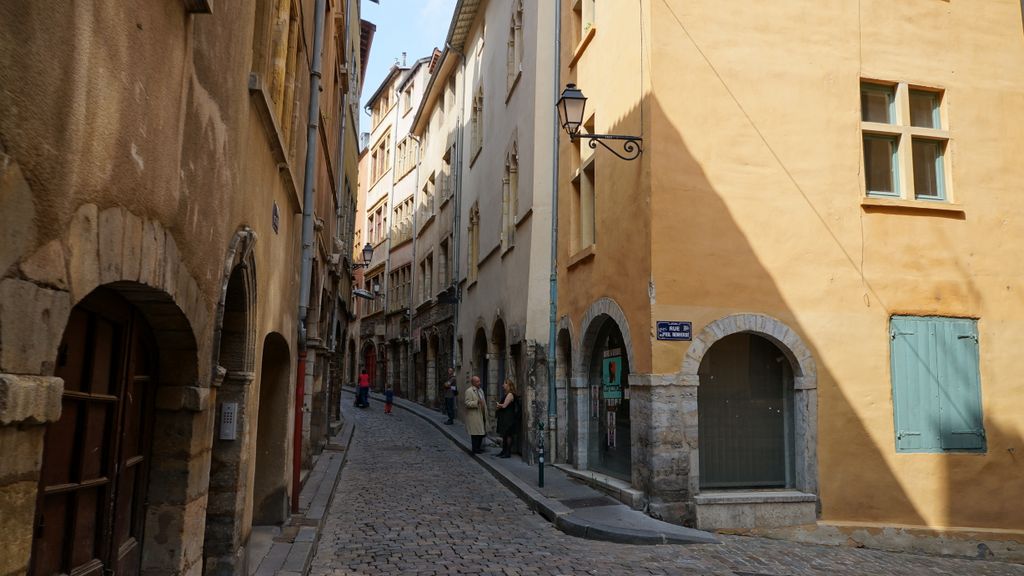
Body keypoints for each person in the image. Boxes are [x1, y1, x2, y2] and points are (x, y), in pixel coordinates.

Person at [494, 378, 520, 458]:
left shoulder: (510, 394)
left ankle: (507, 452)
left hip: (509, 418)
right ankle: (504, 451)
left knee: (508, 435)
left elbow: (504, 405)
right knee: (505, 435)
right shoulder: (508, 394)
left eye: (504, 384)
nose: (503, 385)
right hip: (506, 417)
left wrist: (498, 404)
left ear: (508, 385)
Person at [464, 375, 488, 454]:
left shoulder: (481, 390)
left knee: (481, 432)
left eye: (479, 381)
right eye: (477, 382)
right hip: (474, 415)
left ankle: (478, 447)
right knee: (475, 434)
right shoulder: (469, 391)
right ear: (473, 382)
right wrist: (476, 402)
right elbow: (467, 403)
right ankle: (475, 449)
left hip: (481, 414)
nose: (479, 383)